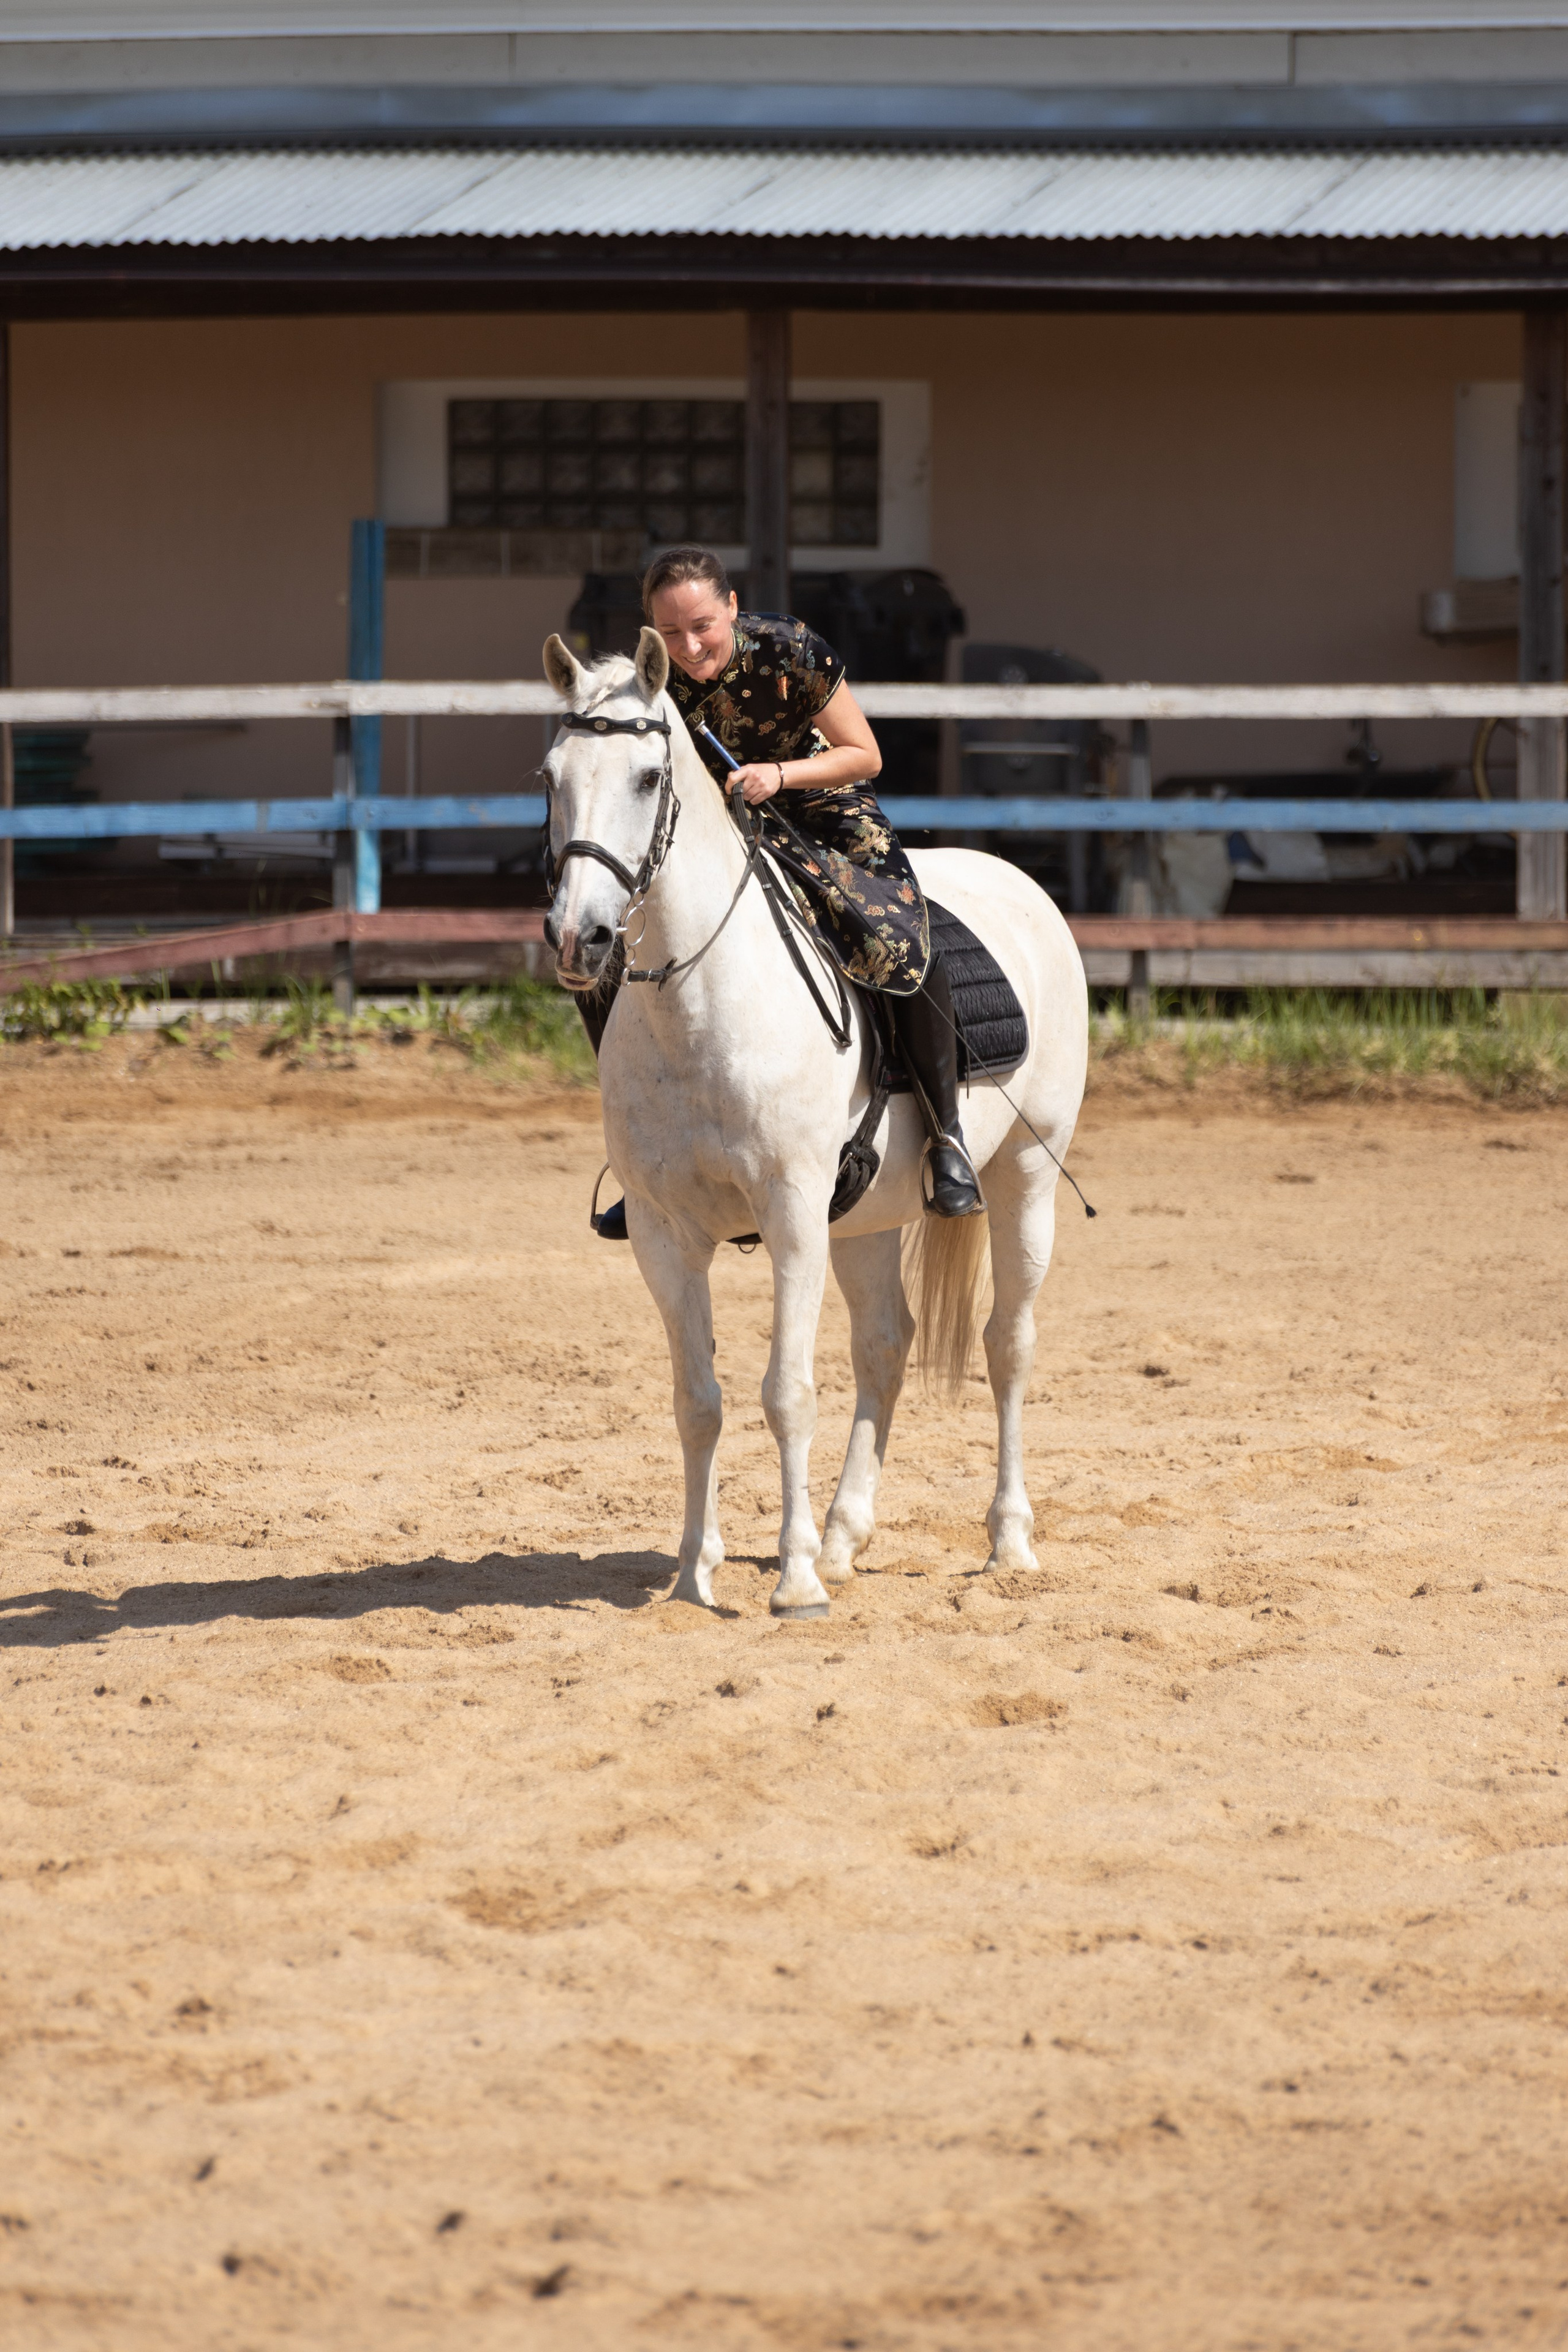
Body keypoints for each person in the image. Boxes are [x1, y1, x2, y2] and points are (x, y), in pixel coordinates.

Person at [574, 545, 982, 1238]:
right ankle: (640, 1158)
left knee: (894, 938)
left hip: (822, 803)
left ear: (732, 607)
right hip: (717, 829)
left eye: (702, 624)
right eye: (669, 633)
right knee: (607, 952)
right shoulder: (649, 682)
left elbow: (866, 754)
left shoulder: (791, 648)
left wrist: (779, 775)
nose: (689, 645)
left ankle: (947, 1140)